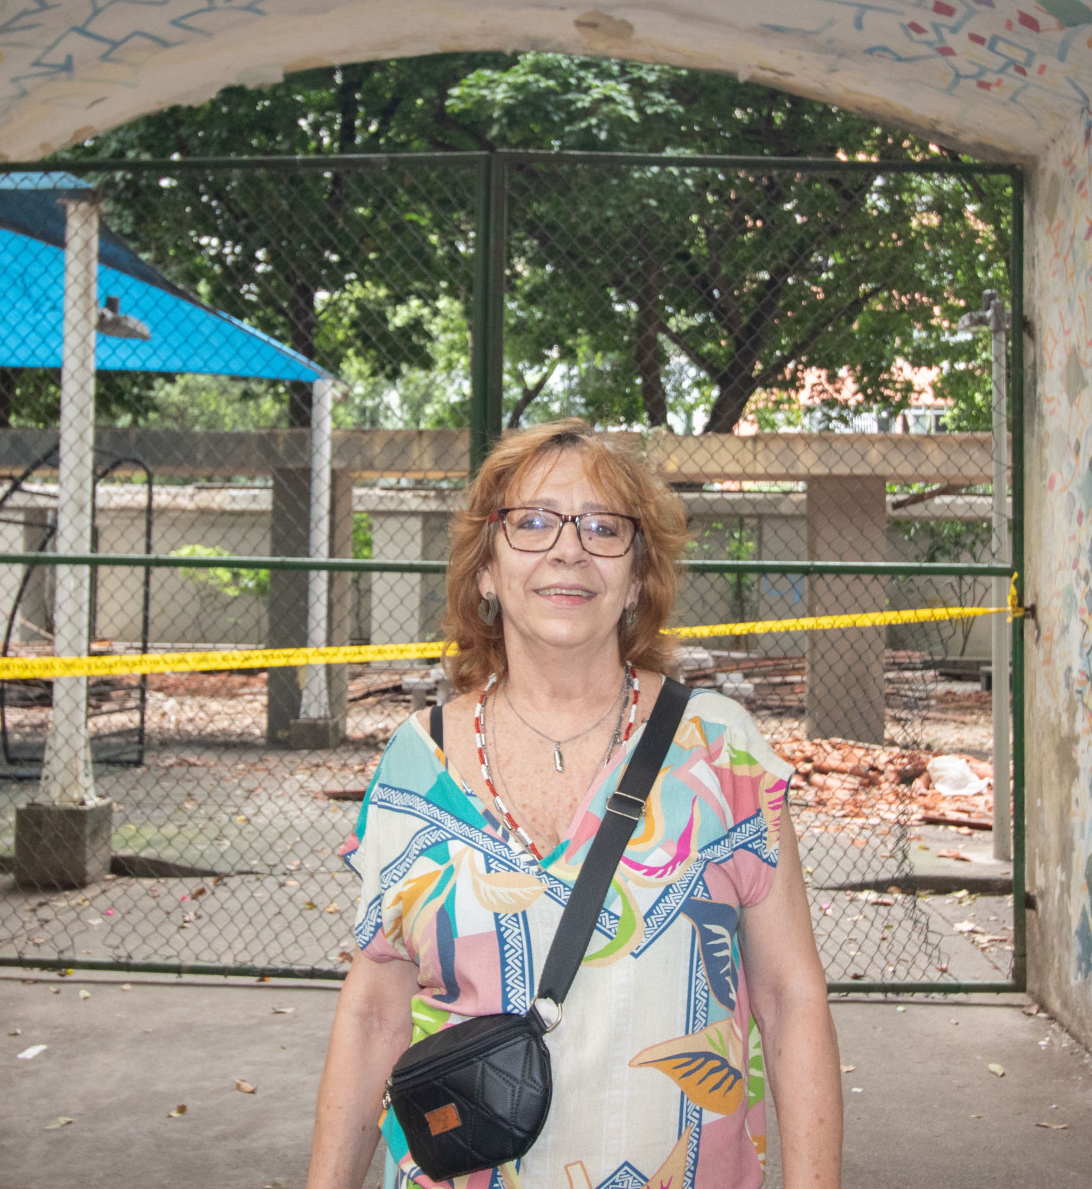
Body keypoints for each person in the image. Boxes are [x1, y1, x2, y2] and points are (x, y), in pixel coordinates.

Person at [308, 419, 841, 1189]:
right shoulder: (414, 764)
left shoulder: (723, 752)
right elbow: (373, 1012)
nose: (568, 549)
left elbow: (793, 998)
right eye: (531, 522)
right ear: (486, 570)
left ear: (635, 578)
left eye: (602, 527)